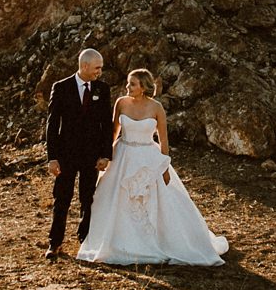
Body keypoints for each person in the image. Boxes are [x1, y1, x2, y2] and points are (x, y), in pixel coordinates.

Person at [76, 68, 228, 266]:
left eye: (132, 84)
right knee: (113, 198)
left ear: (143, 87)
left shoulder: (157, 108)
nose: (127, 87)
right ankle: (118, 241)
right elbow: (113, 132)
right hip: (123, 155)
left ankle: (160, 240)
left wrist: (164, 168)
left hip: (148, 157)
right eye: (128, 83)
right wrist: (106, 156)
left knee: (155, 201)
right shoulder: (121, 103)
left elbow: (164, 142)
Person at [43, 48, 114, 259]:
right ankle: (54, 243)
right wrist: (52, 157)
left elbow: (106, 124)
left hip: (92, 155)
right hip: (66, 155)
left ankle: (85, 241)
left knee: (88, 198)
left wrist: (105, 154)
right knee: (62, 199)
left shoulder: (102, 89)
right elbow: (52, 123)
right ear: (84, 66)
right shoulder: (61, 87)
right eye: (97, 68)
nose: (99, 72)